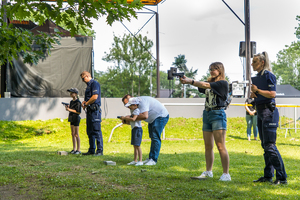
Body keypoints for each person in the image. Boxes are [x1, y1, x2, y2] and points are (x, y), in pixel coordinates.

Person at [180, 62, 231, 181]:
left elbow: (204, 84)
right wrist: (187, 81)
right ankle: (208, 171)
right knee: (208, 146)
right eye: (210, 69)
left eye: (214, 69)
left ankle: (226, 174)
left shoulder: (222, 83)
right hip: (207, 114)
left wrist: (190, 81)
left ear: (220, 70)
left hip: (218, 114)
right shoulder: (211, 83)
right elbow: (202, 86)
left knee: (220, 146)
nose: (211, 71)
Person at [250, 51, 287, 185]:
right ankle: (268, 176)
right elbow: (260, 95)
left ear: (262, 62)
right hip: (260, 111)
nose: (252, 64)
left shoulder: (269, 75)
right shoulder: (257, 78)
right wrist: (254, 95)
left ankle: (282, 178)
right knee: (265, 145)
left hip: (269, 112)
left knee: (270, 146)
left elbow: (272, 94)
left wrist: (258, 91)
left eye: (254, 62)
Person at [121, 95, 169, 166]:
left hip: (161, 116)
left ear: (133, 102)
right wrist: (125, 120)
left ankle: (153, 159)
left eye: (128, 104)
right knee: (152, 137)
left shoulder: (142, 102)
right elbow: (135, 120)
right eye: (125, 105)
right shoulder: (133, 107)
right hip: (152, 119)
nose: (127, 107)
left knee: (155, 137)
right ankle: (151, 158)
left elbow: (144, 116)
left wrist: (128, 117)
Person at [80, 71, 103, 156]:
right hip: (89, 110)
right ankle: (91, 150)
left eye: (83, 78)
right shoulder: (88, 86)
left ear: (87, 76)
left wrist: (86, 103)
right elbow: (89, 98)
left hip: (95, 111)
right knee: (90, 131)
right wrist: (85, 102)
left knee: (96, 131)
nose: (83, 81)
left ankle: (100, 150)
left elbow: (94, 97)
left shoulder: (94, 83)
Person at [121, 97, 143, 166]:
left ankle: (140, 161)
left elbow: (133, 119)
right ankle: (135, 160)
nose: (129, 107)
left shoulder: (136, 111)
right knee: (134, 145)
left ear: (135, 105)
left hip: (137, 129)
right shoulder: (133, 111)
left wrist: (125, 118)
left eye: (131, 105)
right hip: (134, 129)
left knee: (138, 146)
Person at [65, 88, 81, 154]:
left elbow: (78, 112)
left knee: (76, 134)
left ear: (76, 94)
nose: (71, 94)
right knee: (73, 134)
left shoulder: (78, 102)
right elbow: (71, 109)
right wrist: (68, 108)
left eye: (72, 93)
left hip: (76, 118)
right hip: (71, 117)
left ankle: (78, 150)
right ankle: (74, 149)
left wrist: (69, 110)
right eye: (70, 93)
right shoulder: (71, 102)